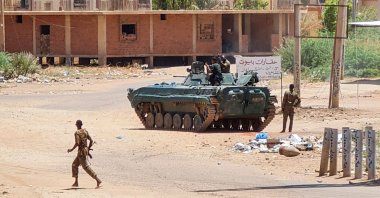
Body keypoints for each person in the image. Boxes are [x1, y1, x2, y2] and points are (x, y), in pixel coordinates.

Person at [67, 120, 102, 188]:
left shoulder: (77, 133)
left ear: (77, 125)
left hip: (81, 152)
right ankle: (76, 182)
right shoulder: (85, 131)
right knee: (74, 165)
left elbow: (77, 143)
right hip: (84, 151)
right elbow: (91, 141)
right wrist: (88, 150)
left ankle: (98, 180)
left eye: (76, 124)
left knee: (86, 167)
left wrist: (71, 150)